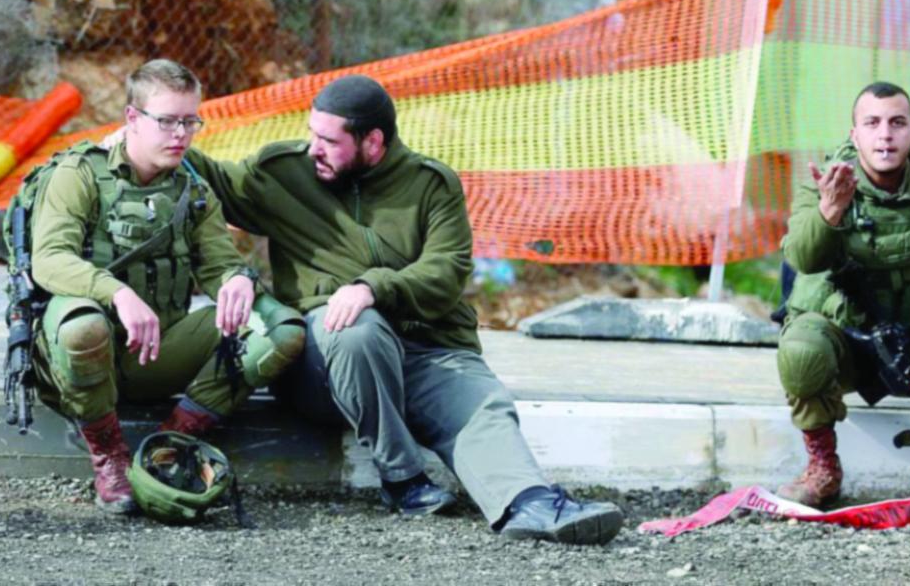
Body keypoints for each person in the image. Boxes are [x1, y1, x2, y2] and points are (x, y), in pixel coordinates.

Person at [183, 74, 625, 545]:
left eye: (329, 141)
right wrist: (149, 132)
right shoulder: (285, 173)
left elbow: (446, 271)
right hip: (326, 365)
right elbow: (207, 176)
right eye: (312, 134)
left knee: (482, 406)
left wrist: (373, 286)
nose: (314, 149)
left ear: (373, 142)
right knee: (357, 328)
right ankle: (402, 478)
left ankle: (531, 504)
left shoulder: (431, 185)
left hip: (424, 351)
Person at [30, 59, 304, 514]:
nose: (181, 134)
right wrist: (117, 293)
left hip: (159, 349)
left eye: (190, 121)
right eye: (167, 121)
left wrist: (237, 279)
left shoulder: (194, 192)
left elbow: (219, 264)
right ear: (132, 118)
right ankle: (109, 456)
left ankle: (170, 443)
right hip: (82, 352)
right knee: (82, 326)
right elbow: (49, 259)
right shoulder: (79, 174)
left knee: (283, 332)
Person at [776, 81, 910, 506]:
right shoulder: (823, 186)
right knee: (801, 348)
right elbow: (802, 256)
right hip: (846, 339)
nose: (885, 135)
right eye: (872, 123)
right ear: (854, 134)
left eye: (897, 123)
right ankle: (822, 467)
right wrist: (829, 211)